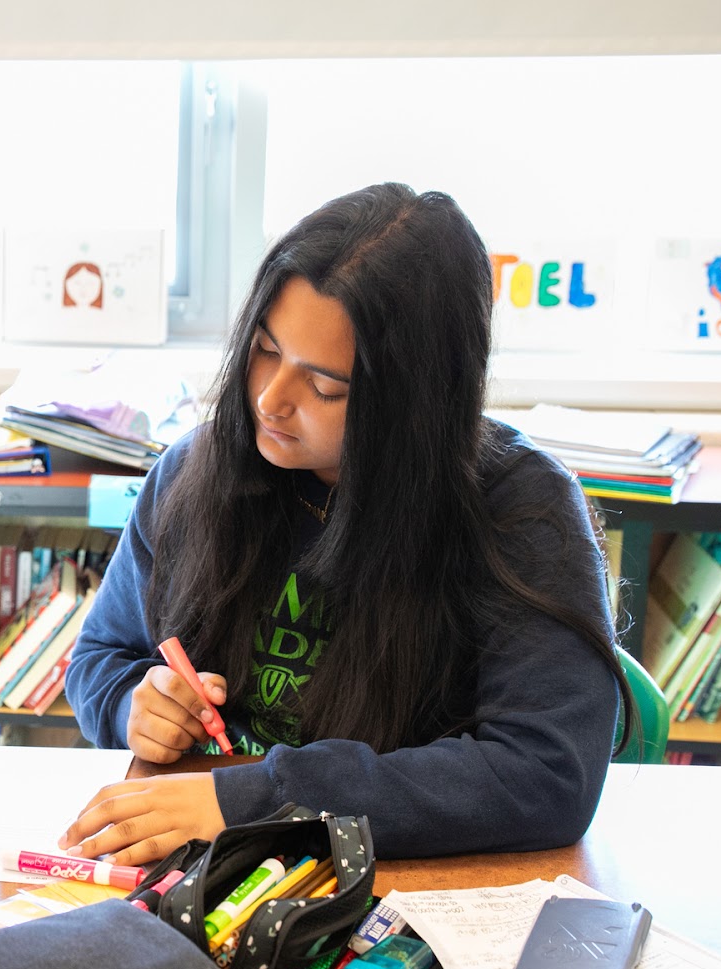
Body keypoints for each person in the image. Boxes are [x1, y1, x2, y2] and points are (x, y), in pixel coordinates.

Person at [59, 182, 632, 866]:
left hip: (399, 882)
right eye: (265, 350)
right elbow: (100, 658)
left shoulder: (521, 509)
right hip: (216, 869)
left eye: (325, 386)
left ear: (414, 403)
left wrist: (254, 800)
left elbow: (546, 774)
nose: (271, 399)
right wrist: (134, 705)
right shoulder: (196, 471)